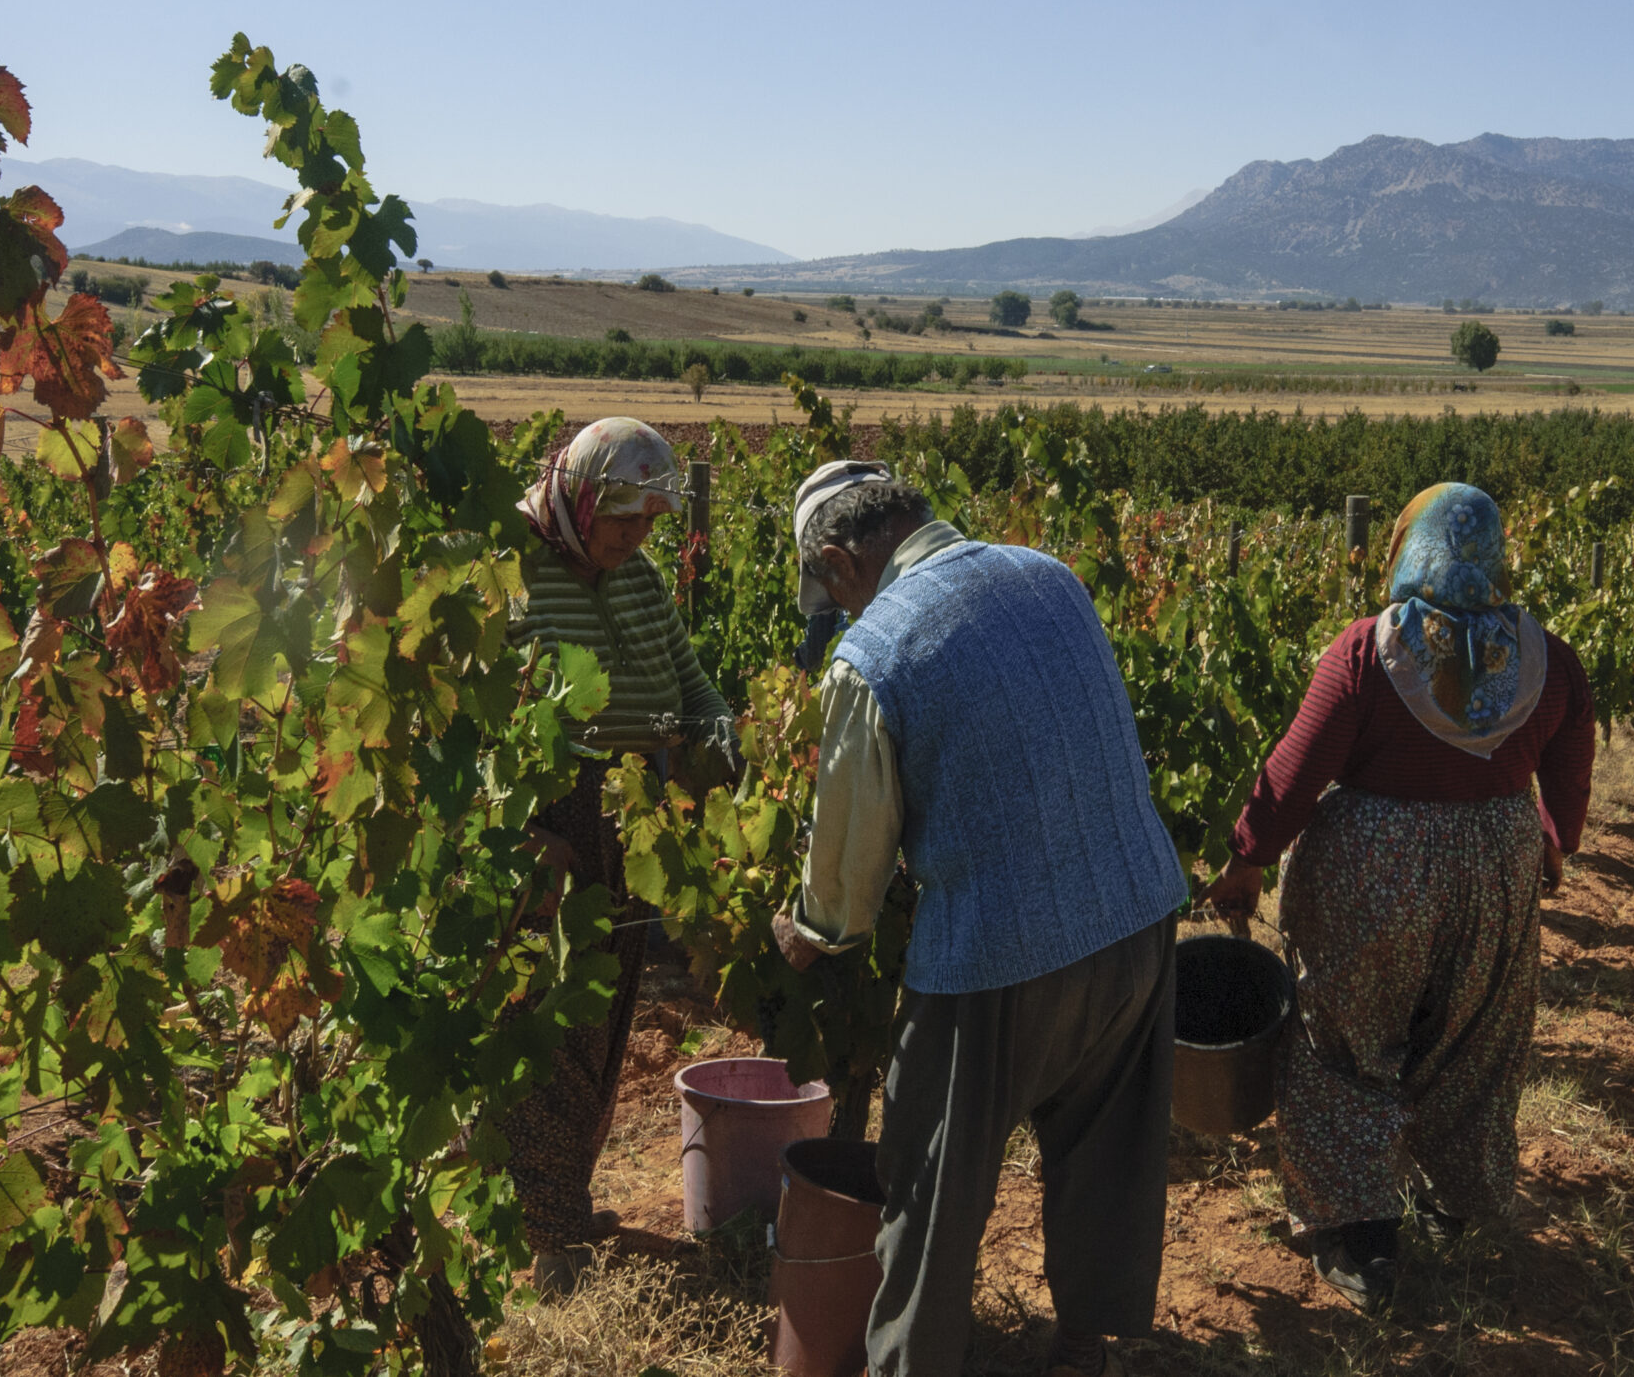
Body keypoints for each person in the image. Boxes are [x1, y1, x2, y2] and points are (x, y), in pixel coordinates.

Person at [769, 463, 1190, 1377]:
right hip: (1138, 915)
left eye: (829, 591)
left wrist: (812, 930)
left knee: (930, 1189)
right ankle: (1083, 1345)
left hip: (999, 957)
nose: (834, 612)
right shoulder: (1048, 574)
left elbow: (847, 870)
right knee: (1106, 1154)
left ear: (841, 562)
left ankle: (910, 1366)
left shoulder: (874, 649)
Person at [1204, 482, 1596, 1310]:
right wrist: (1553, 840)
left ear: (1406, 549)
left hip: (1372, 873)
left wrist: (1248, 859)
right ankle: (1456, 1204)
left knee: (1343, 1041)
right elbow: (1572, 758)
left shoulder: (1368, 651)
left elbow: (1295, 770)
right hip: (1494, 865)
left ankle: (1360, 1236)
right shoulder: (1545, 655)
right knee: (1474, 1040)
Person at [502, 417, 736, 1287]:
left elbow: (690, 674)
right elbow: (468, 712)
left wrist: (721, 733)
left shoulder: (635, 579)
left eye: (648, 525)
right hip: (544, 832)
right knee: (543, 1028)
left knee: (601, 1027)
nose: (636, 540)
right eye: (623, 521)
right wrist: (525, 837)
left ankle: (560, 1205)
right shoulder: (513, 567)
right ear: (580, 497)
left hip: (629, 821)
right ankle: (543, 1234)